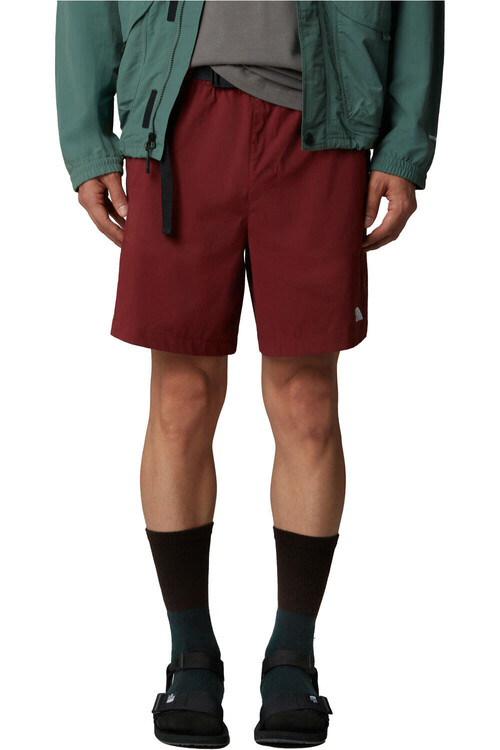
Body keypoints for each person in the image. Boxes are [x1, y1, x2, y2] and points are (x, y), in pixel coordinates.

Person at [55, 2, 445, 747]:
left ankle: (292, 655)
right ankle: (190, 655)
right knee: (180, 396)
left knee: (307, 400)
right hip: (175, 115)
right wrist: (86, 138)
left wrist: (404, 145)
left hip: (324, 121)